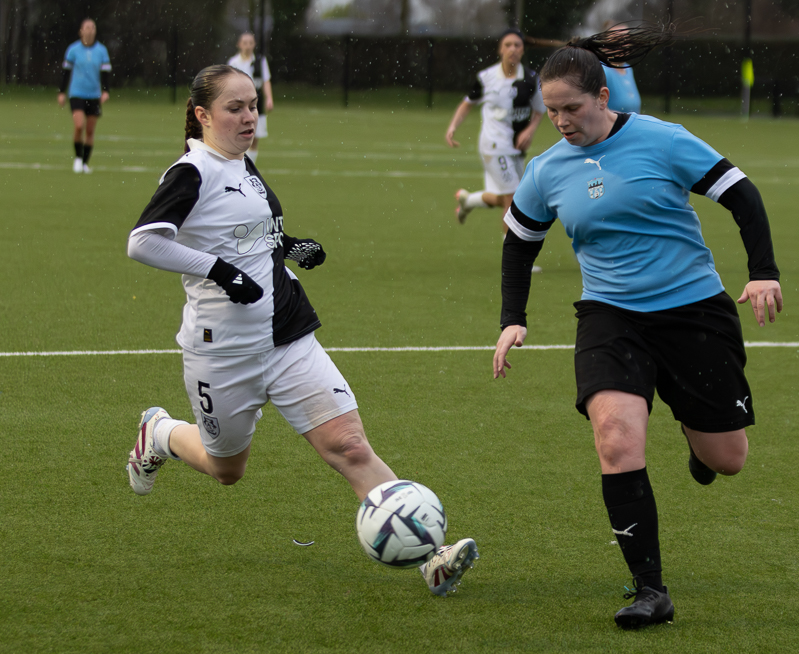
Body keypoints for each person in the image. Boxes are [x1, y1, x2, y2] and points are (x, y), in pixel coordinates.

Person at [125, 64, 477, 597]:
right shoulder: (192, 172)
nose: (249, 117)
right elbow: (144, 241)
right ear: (202, 115)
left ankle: (431, 557)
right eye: (235, 108)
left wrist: (290, 247)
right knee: (227, 470)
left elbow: (255, 233)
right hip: (224, 351)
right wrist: (219, 272)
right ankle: (160, 433)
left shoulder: (245, 163)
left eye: (253, 106)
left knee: (349, 445)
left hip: (289, 335)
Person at [491, 25, 782, 630]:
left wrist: (762, 272)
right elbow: (519, 245)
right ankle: (650, 588)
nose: (562, 121)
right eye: (551, 112)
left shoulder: (662, 140)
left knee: (727, 458)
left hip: (693, 312)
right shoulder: (546, 170)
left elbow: (741, 195)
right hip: (610, 317)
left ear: (603, 97)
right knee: (617, 439)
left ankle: (697, 439)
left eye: (571, 108)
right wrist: (512, 319)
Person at [446, 29, 545, 238]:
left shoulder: (531, 78)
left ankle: (469, 200)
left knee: (510, 196)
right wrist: (453, 126)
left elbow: (539, 110)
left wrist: (530, 130)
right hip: (493, 145)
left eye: (517, 45)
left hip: (516, 147)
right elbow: (467, 103)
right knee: (514, 198)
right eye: (508, 44)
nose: (512, 49)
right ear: (500, 49)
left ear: (523, 50)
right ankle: (513, 260)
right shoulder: (486, 78)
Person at [57, 18, 111, 174]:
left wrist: (106, 91)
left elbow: (105, 73)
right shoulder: (73, 50)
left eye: (93, 27)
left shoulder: (101, 51)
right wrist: (62, 92)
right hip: (77, 94)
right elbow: (65, 73)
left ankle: (86, 163)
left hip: (94, 95)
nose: (90, 30)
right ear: (81, 31)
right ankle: (78, 158)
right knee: (79, 125)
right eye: (87, 27)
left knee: (89, 131)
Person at [226, 32, 273, 163]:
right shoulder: (234, 62)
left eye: (250, 43)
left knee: (255, 137)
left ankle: (250, 165)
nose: (248, 46)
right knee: (239, 135)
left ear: (254, 45)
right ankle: (238, 163)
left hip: (256, 103)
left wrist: (269, 98)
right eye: (245, 43)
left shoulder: (260, 61)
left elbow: (266, 81)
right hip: (239, 103)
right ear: (239, 45)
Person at [601, 22, 641, 114]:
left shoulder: (628, 69)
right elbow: (597, 109)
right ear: (605, 43)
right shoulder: (602, 70)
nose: (623, 44)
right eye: (617, 39)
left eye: (626, 39)